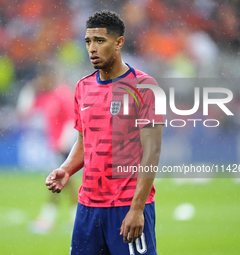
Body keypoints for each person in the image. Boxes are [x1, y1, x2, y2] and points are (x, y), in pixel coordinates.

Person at [45, 10, 164, 255]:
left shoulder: (144, 87)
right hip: (88, 208)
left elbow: (152, 151)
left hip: (126, 205)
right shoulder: (82, 87)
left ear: (119, 42)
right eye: (88, 41)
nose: (92, 48)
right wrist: (66, 169)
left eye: (100, 41)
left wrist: (137, 208)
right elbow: (83, 141)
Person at [17, 67, 78, 234]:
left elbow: (72, 120)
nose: (41, 83)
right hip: (55, 147)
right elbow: (24, 111)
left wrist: (63, 144)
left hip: (64, 147)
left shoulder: (62, 94)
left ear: (49, 77)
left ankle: (47, 220)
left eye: (42, 79)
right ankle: (74, 219)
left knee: (58, 182)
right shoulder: (45, 96)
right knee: (63, 183)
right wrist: (29, 89)